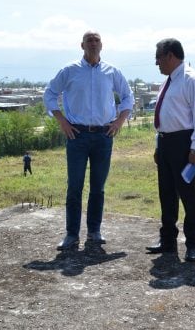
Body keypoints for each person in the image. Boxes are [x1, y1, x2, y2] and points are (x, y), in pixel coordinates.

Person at [43, 31, 134, 250]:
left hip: (104, 136)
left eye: (96, 40)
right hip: (77, 135)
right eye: (89, 41)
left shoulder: (112, 72)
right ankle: (72, 234)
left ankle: (94, 231)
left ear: (102, 45)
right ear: (81, 45)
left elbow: (128, 97)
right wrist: (62, 122)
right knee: (74, 187)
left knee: (98, 187)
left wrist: (119, 121)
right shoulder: (70, 71)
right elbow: (49, 94)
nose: (93, 44)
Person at [145, 38, 195, 262]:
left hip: (184, 144)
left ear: (170, 56)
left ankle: (192, 244)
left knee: (189, 196)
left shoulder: (191, 79)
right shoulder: (168, 81)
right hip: (165, 143)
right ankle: (168, 241)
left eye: (159, 58)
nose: (157, 63)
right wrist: (158, 145)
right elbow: (165, 116)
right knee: (166, 194)